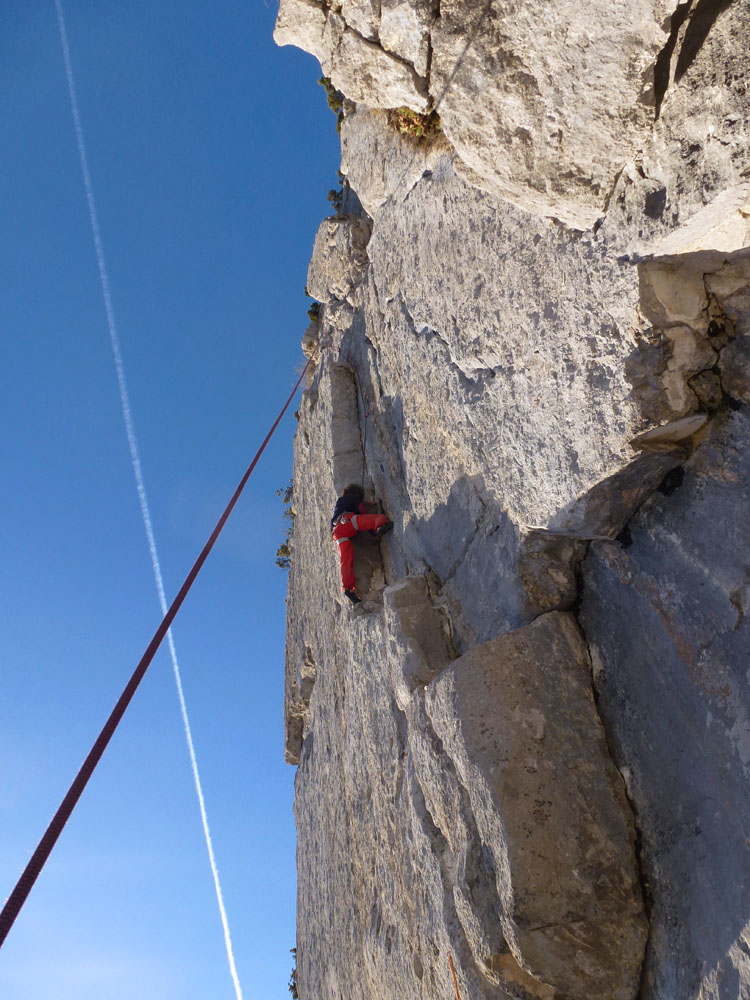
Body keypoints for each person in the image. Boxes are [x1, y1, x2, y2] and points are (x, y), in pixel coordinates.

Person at [331, 484, 393, 604]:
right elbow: (364, 514)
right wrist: (374, 532)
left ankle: (347, 588)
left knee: (346, 561)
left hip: (337, 533)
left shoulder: (341, 502)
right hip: (348, 521)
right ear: (357, 495)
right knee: (376, 518)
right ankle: (380, 525)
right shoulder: (354, 500)